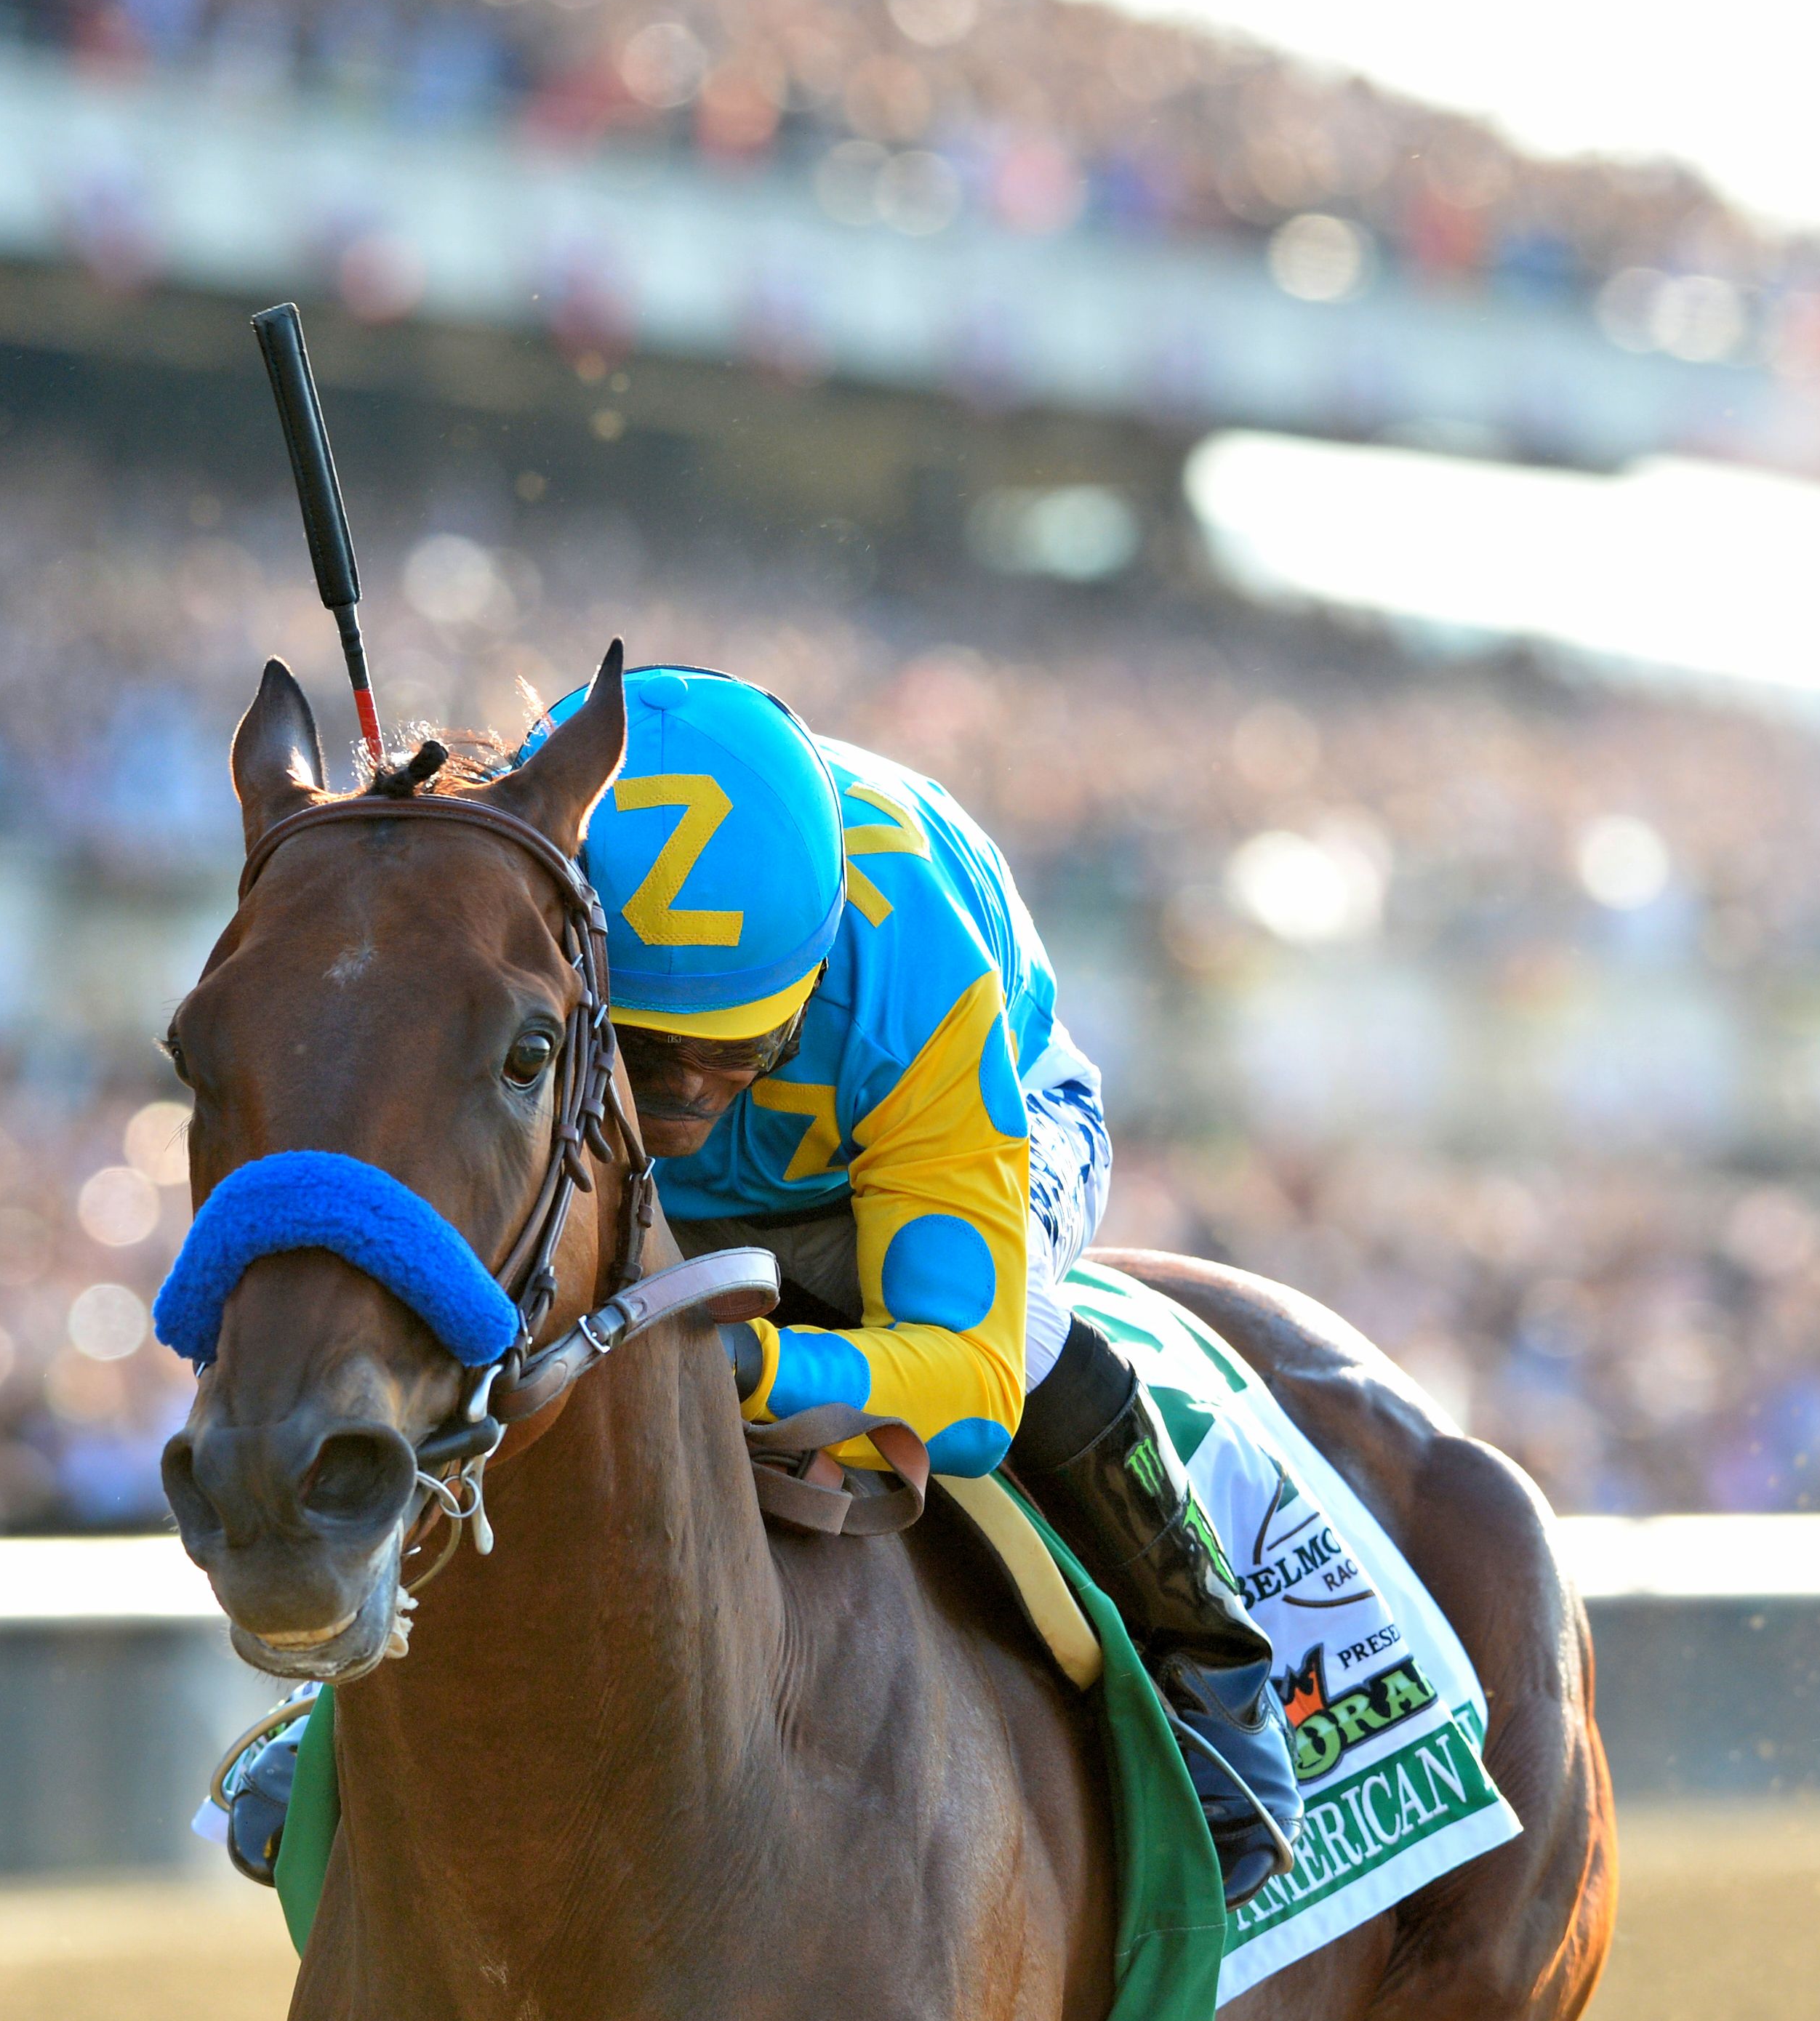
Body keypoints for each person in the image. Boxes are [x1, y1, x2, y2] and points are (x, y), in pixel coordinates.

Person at [215, 667, 1299, 1903]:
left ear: (803, 992)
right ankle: (352, 1683)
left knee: (1034, 1325)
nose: (678, 1107)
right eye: (649, 1055)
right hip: (585, 1088)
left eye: (726, 1058)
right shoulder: (528, 865)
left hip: (933, 1127)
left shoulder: (913, 981)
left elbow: (973, 1386)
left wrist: (748, 1365)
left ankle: (1207, 1659)